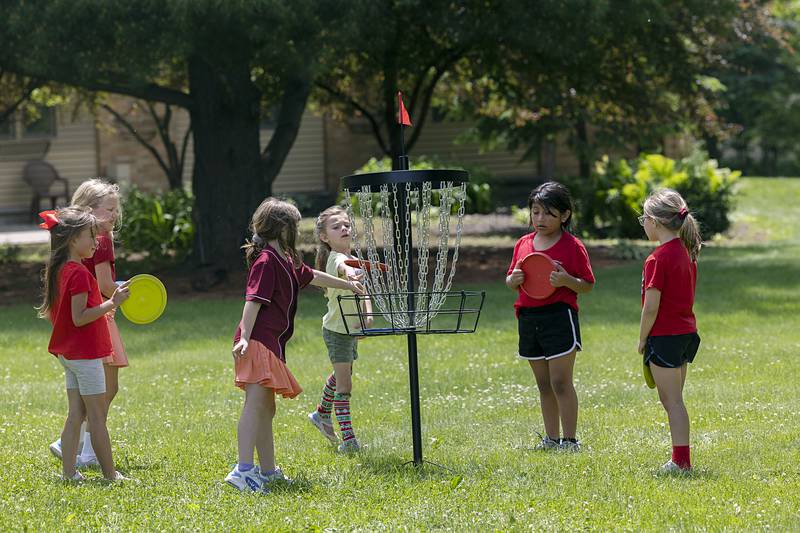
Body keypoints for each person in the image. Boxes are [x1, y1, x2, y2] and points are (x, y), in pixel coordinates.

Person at [224, 198, 365, 493]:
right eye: (295, 225)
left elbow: (311, 276)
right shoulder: (266, 261)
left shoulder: (285, 258)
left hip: (271, 344)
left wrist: (348, 283)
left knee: (267, 408)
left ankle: (268, 470)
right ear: (283, 228)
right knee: (255, 405)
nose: (298, 231)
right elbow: (252, 301)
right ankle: (243, 470)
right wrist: (246, 336)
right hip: (257, 341)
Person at [37, 207, 130, 481]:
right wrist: (112, 303)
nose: (96, 241)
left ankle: (69, 474)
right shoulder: (77, 273)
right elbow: (79, 318)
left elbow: (76, 313)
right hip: (85, 355)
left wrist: (103, 308)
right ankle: (110, 476)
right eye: (90, 236)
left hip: (71, 354)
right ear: (71, 239)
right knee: (97, 417)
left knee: (75, 414)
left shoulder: (61, 269)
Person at [506, 181, 595, 451]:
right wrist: (514, 279)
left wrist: (566, 280)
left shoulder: (572, 246)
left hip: (559, 317)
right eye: (535, 212)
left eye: (548, 213)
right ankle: (551, 439)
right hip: (529, 318)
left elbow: (588, 284)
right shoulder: (523, 244)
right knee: (543, 384)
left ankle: (569, 440)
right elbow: (511, 280)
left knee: (560, 382)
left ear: (564, 215)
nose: (540, 219)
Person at [638, 189, 702, 473]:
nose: (643, 223)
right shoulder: (687, 252)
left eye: (643, 218)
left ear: (654, 221)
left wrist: (642, 338)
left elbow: (651, 307)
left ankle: (681, 462)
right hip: (686, 335)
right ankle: (681, 459)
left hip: (665, 336)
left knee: (672, 403)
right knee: (676, 400)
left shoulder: (658, 258)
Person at [307, 206, 373, 453]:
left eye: (346, 225)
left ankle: (321, 413)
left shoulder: (351, 256)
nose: (344, 229)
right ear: (324, 237)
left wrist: (368, 315)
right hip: (337, 331)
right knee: (345, 386)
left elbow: (362, 288)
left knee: (342, 374)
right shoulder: (338, 259)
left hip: (348, 329)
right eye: (336, 227)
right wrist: (350, 273)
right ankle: (349, 442)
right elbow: (345, 269)